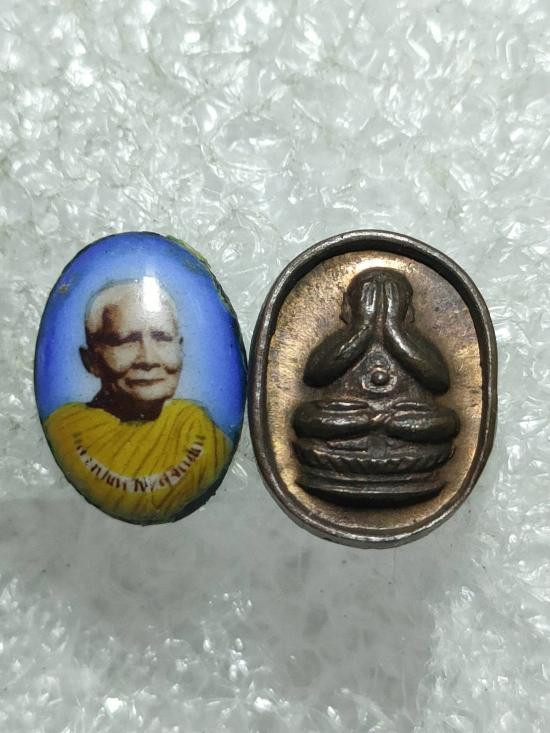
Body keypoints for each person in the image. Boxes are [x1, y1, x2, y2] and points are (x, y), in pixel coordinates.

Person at [45, 278, 232, 524]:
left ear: (181, 349)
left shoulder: (196, 428)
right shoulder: (64, 429)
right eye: (125, 341)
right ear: (90, 360)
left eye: (162, 338)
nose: (148, 359)